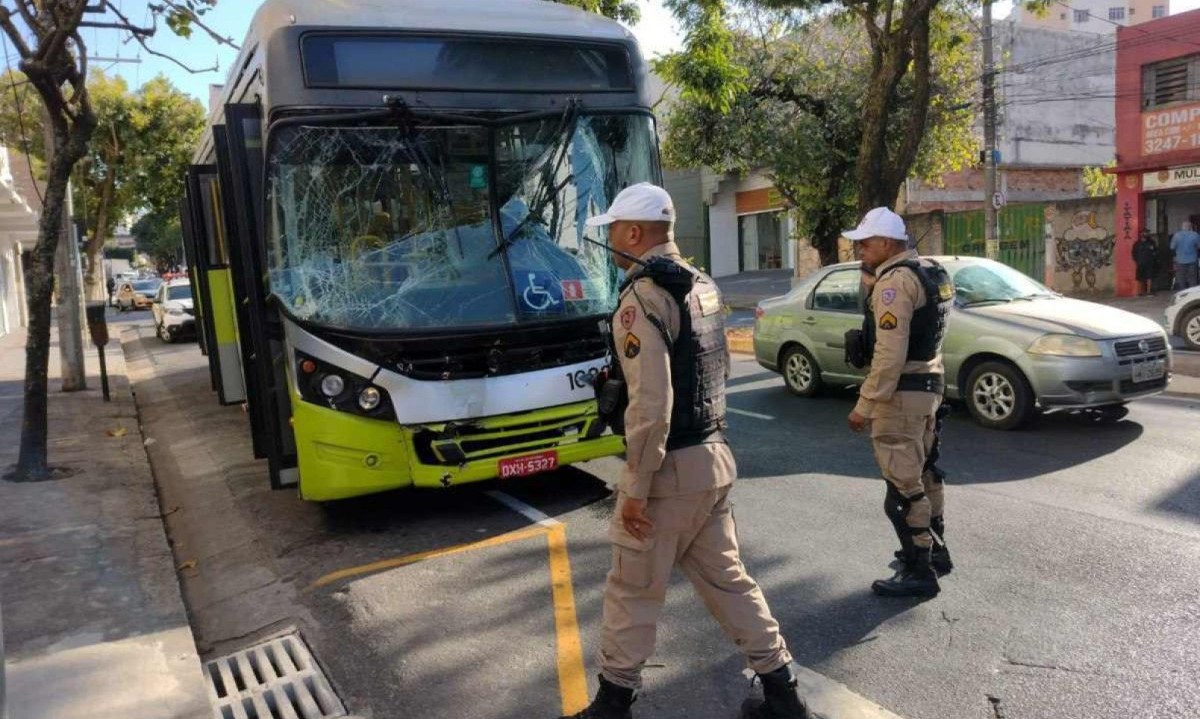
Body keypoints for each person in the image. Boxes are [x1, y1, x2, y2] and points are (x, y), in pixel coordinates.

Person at [567, 183, 816, 719]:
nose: (610, 241)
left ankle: (612, 705)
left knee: (632, 590)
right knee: (729, 581)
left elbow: (651, 406)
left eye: (613, 231)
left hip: (668, 471)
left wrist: (633, 491)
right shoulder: (702, 285)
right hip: (713, 458)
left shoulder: (643, 298)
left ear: (633, 234)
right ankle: (783, 691)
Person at [844, 207, 953, 598]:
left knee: (902, 490)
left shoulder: (894, 284)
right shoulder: (929, 272)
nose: (859, 250)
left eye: (865, 243)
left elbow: (889, 355)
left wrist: (865, 405)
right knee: (925, 473)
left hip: (900, 395)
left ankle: (919, 570)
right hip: (929, 386)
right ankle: (935, 550)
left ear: (887, 243)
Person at [1169, 221, 1200, 290]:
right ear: (1190, 227)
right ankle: (1192, 295)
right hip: (1192, 260)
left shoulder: (1177, 235)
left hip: (1180, 260)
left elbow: (1172, 247)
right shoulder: (1195, 235)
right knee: (1192, 279)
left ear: (1182, 227)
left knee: (1181, 278)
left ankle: (1183, 294)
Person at [1133, 231, 1158, 296]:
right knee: (1140, 278)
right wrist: (1137, 260)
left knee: (1148, 277)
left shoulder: (1151, 243)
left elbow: (1155, 251)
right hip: (1142, 263)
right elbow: (1134, 253)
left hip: (1148, 263)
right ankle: (1140, 292)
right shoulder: (1137, 244)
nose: (1143, 237)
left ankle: (1147, 291)